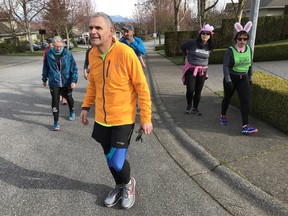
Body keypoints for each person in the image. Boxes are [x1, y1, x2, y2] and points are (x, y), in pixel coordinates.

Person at [79, 12, 153, 209]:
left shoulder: (126, 53)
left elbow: (142, 88)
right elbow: (93, 85)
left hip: (123, 118)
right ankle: (119, 185)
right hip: (102, 119)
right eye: (90, 28)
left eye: (98, 28)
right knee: (109, 160)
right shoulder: (92, 54)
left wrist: (145, 118)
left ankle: (129, 184)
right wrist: (86, 106)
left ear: (111, 31)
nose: (92, 32)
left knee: (117, 162)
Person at [219, 21, 258, 135]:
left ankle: (245, 126)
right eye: (240, 38)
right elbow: (225, 66)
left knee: (245, 101)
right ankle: (223, 115)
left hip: (243, 78)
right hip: (231, 77)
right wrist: (228, 79)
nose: (242, 41)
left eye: (245, 39)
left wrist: (250, 77)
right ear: (236, 39)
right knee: (227, 98)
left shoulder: (249, 49)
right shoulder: (230, 51)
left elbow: (250, 64)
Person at [42, 36, 78, 131]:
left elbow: (74, 68)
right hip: (54, 81)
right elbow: (45, 67)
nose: (58, 48)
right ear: (52, 45)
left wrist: (74, 80)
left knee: (69, 98)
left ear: (62, 44)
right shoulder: (49, 54)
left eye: (60, 46)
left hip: (67, 81)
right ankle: (56, 121)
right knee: (55, 100)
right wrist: (44, 78)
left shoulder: (67, 53)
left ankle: (71, 111)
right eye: (56, 46)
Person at [180, 24, 215, 115]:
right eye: (203, 33)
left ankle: (195, 108)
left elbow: (208, 55)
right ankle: (189, 105)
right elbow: (182, 46)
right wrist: (186, 55)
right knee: (191, 90)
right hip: (191, 70)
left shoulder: (211, 45)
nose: (205, 35)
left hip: (202, 71)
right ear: (200, 34)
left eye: (207, 34)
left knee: (198, 90)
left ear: (210, 36)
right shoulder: (193, 43)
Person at [43, 38, 68, 105]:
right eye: (49, 43)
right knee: (56, 85)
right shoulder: (47, 51)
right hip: (52, 69)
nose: (50, 44)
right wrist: (44, 78)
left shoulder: (64, 52)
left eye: (51, 43)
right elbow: (44, 61)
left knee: (63, 84)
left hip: (62, 71)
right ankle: (59, 95)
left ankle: (64, 97)